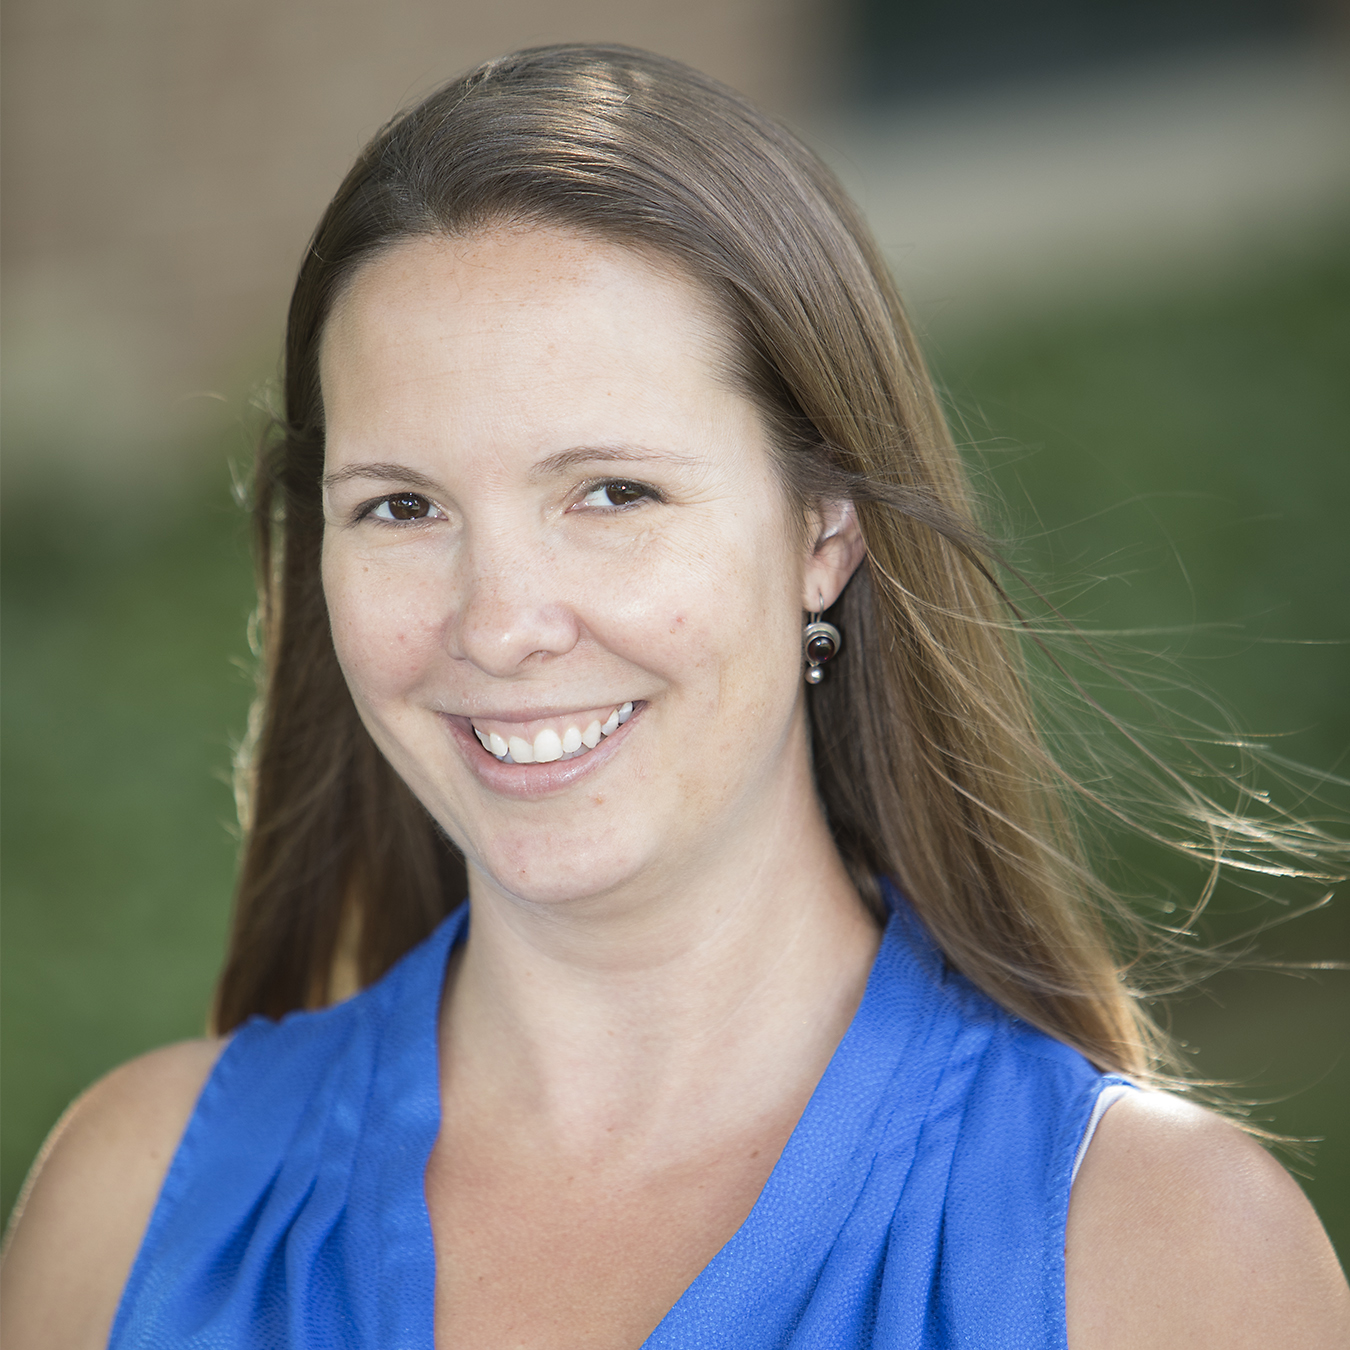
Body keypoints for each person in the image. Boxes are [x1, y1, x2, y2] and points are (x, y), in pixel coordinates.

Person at [2, 44, 1346, 1350]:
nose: (501, 623)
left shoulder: (1154, 1252)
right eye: (402, 505)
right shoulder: (132, 1214)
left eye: (611, 492)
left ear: (822, 527)